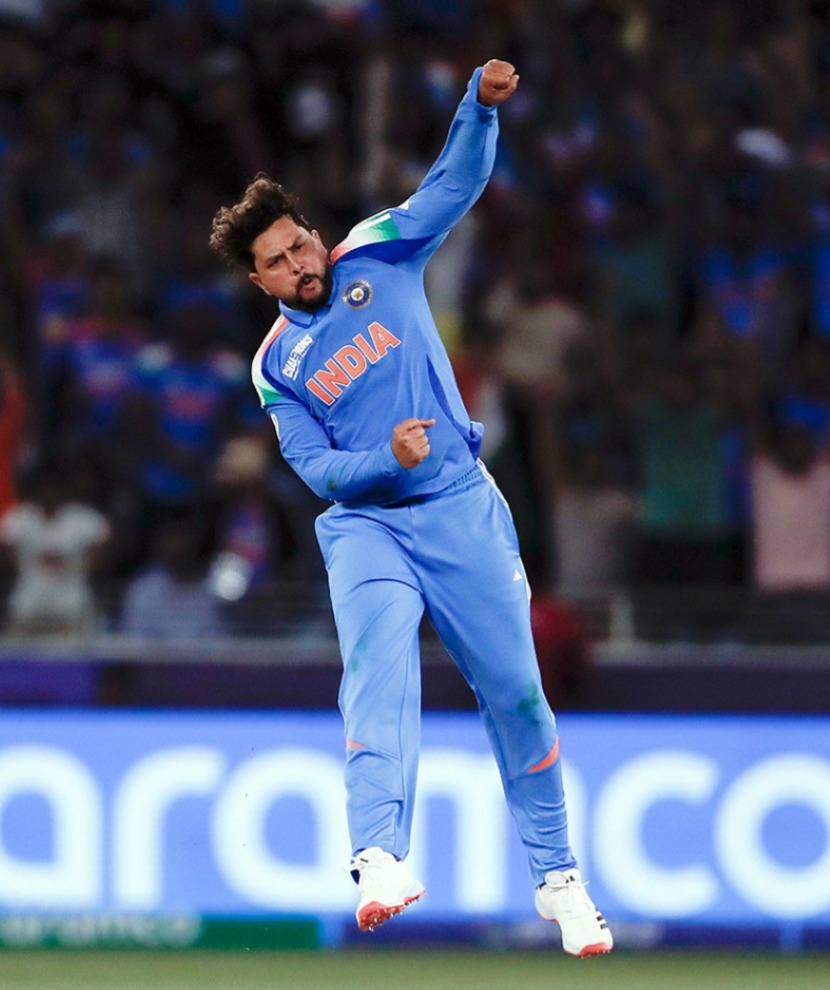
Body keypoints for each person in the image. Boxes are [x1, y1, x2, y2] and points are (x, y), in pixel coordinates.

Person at [209, 59, 613, 958]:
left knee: (517, 694)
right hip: (368, 523)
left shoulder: (376, 251)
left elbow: (452, 185)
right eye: (275, 263)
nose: (297, 265)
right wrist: (380, 461)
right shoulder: (274, 367)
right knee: (378, 670)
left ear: (315, 236)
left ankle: (560, 881)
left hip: (460, 504)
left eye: (298, 245)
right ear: (259, 283)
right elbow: (318, 471)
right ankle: (379, 857)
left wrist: (479, 108)